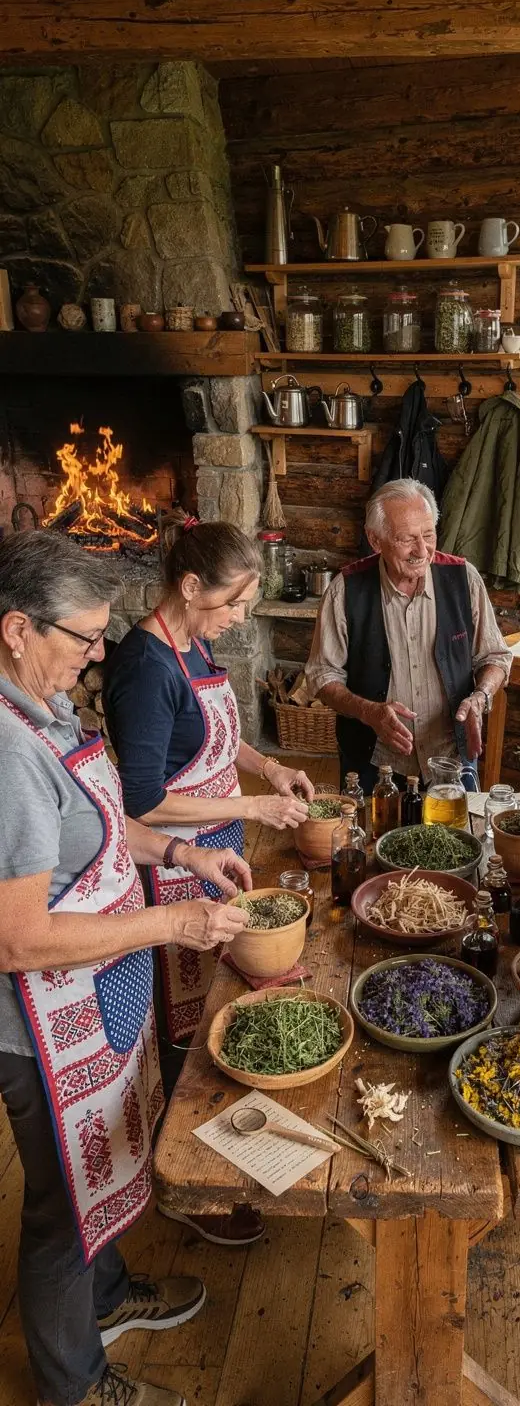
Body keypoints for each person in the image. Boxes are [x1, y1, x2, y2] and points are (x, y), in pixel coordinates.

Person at [0, 529, 250, 1406]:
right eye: (84, 636)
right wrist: (171, 921)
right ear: (18, 629)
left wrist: (182, 853)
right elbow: (17, 939)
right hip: (35, 1024)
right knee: (61, 1205)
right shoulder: (8, 754)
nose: (100, 653)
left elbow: (108, 825)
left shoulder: (46, 707)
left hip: (90, 993)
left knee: (94, 1168)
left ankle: (106, 1298)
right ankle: (74, 1385)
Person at [104, 514, 315, 1246]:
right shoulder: (146, 668)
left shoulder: (191, 642)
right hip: (169, 864)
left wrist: (269, 768)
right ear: (190, 586)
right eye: (232, 603)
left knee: (221, 996)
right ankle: (185, 1181)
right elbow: (141, 801)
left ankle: (221, 1152)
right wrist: (252, 806)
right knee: (185, 1023)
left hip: (214, 846)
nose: (238, 618)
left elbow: (221, 741)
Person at [305, 479, 512, 794]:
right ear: (375, 540)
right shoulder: (345, 590)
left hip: (450, 758)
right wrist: (368, 711)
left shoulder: (463, 579)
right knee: (369, 827)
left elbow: (495, 657)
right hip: (374, 762)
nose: (422, 550)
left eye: (428, 535)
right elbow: (322, 675)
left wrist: (480, 696)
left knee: (457, 827)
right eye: (407, 539)